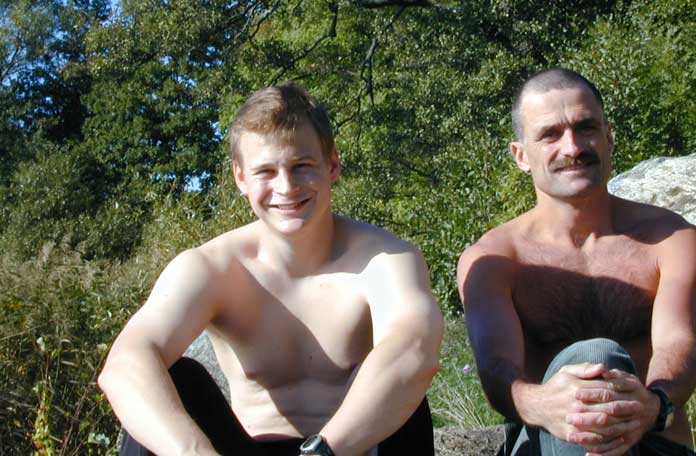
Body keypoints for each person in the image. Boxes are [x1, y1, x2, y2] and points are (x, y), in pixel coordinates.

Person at [99, 82, 443, 456]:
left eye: (302, 166)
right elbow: (124, 365)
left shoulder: (385, 259)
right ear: (241, 178)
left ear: (332, 165)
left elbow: (414, 350)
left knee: (406, 387)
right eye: (265, 171)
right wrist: (193, 452)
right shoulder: (211, 267)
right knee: (173, 378)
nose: (286, 187)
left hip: (349, 449)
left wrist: (323, 453)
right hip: (246, 449)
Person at [457, 68, 696, 456]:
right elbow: (497, 369)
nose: (573, 148)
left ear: (609, 137)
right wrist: (547, 406)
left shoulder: (671, 240)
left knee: (597, 357)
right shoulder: (495, 259)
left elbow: (678, 343)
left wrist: (652, 404)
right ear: (521, 156)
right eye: (550, 135)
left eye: (585, 127)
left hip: (653, 442)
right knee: (593, 361)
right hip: (548, 443)